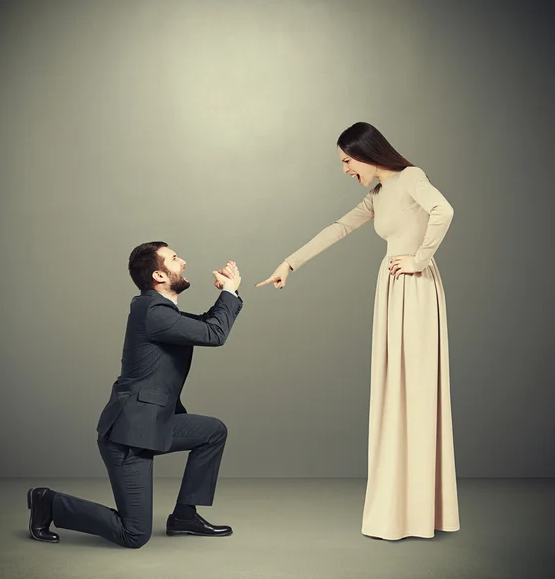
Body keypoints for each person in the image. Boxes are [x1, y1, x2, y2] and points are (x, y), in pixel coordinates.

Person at [256, 122, 460, 540]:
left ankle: (420, 511)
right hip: (392, 288)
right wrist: (289, 264)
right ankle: (400, 506)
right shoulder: (379, 195)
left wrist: (420, 259)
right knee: (394, 392)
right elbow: (338, 228)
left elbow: (444, 210)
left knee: (416, 391)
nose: (345, 169)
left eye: (347, 161)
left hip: (415, 288)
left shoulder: (411, 178)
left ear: (366, 154)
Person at [27, 241, 244, 548]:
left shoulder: (160, 312)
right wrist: (229, 291)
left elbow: (207, 325)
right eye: (174, 258)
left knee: (212, 432)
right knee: (134, 534)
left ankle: (184, 516)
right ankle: (48, 502)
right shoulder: (154, 312)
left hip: (153, 423)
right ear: (158, 275)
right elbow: (214, 334)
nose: (183, 262)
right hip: (129, 435)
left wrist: (227, 293)